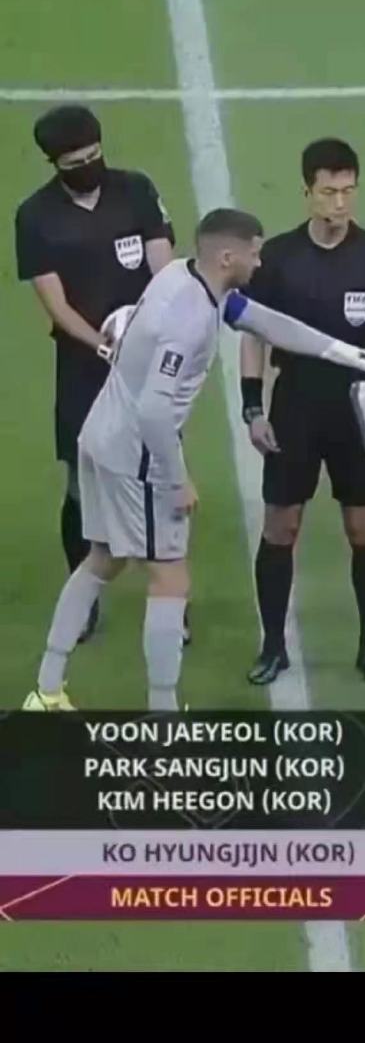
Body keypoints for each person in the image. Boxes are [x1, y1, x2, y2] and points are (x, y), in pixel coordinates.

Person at [23, 208, 365, 713]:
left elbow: (264, 321)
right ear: (227, 257)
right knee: (170, 578)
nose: (260, 262)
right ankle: (163, 716)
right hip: (138, 454)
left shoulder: (183, 275)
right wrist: (176, 478)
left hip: (100, 436)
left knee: (102, 561)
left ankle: (47, 689)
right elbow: (155, 410)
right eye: (254, 253)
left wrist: (352, 354)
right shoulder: (190, 320)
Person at [240, 138, 365, 686]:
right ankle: (273, 646)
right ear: (307, 193)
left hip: (357, 410)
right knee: (281, 526)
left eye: (348, 191)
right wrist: (252, 406)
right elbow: (253, 335)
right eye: (329, 192)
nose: (340, 203)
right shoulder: (278, 259)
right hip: (294, 405)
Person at [15, 104, 177, 642]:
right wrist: (106, 344)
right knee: (80, 486)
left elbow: (163, 267)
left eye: (94, 155)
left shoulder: (136, 190)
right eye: (75, 162)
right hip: (85, 367)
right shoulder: (35, 216)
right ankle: (82, 599)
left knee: (160, 480)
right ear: (55, 163)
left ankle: (170, 599)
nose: (89, 166)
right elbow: (55, 304)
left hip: (147, 366)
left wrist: (150, 331)